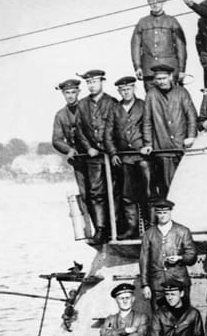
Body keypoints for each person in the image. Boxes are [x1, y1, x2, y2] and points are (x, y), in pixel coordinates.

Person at [140, 63, 198, 197]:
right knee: (168, 186)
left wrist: (191, 136)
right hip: (163, 148)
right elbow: (147, 121)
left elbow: (191, 116)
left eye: (164, 78)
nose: (161, 82)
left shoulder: (181, 92)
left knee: (186, 182)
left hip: (182, 146)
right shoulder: (151, 95)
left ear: (171, 77)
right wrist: (148, 143)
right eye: (158, 79)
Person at [74, 69, 118, 242]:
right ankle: (101, 229)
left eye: (95, 82)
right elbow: (79, 130)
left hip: (110, 155)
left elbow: (118, 126)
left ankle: (117, 226)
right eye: (89, 83)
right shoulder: (82, 105)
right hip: (93, 156)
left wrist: (112, 149)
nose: (92, 85)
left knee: (114, 192)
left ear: (102, 82)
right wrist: (88, 147)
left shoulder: (112, 102)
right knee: (95, 192)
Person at [106, 75, 151, 240]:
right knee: (128, 195)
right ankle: (132, 228)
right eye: (122, 90)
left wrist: (148, 145)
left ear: (134, 89)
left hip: (142, 156)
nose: (126, 92)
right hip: (124, 158)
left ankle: (149, 226)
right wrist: (113, 153)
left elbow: (149, 126)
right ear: (119, 91)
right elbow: (108, 134)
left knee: (147, 192)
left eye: (128, 89)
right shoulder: (115, 109)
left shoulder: (143, 106)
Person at [139, 198, 198, 304]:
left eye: (165, 212)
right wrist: (145, 285)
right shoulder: (149, 234)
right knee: (158, 316)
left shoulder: (182, 231)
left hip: (179, 282)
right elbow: (144, 261)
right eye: (159, 213)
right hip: (157, 284)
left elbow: (192, 255)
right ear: (155, 213)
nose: (162, 216)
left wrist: (180, 258)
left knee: (182, 315)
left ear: (171, 212)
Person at [51, 78, 89, 225]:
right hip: (78, 160)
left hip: (95, 157)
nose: (71, 96)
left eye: (73, 92)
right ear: (63, 94)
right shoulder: (60, 115)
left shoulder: (87, 108)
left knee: (101, 193)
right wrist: (69, 149)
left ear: (78, 92)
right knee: (85, 193)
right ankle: (91, 226)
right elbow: (57, 140)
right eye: (67, 93)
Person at [131, 0, 187, 84]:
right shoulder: (142, 23)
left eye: (158, 1)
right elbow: (135, 46)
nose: (155, 4)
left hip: (170, 69)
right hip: (149, 71)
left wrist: (182, 69)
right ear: (148, 2)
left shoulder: (172, 21)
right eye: (152, 1)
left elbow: (181, 46)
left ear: (163, 1)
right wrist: (137, 67)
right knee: (151, 97)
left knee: (174, 97)